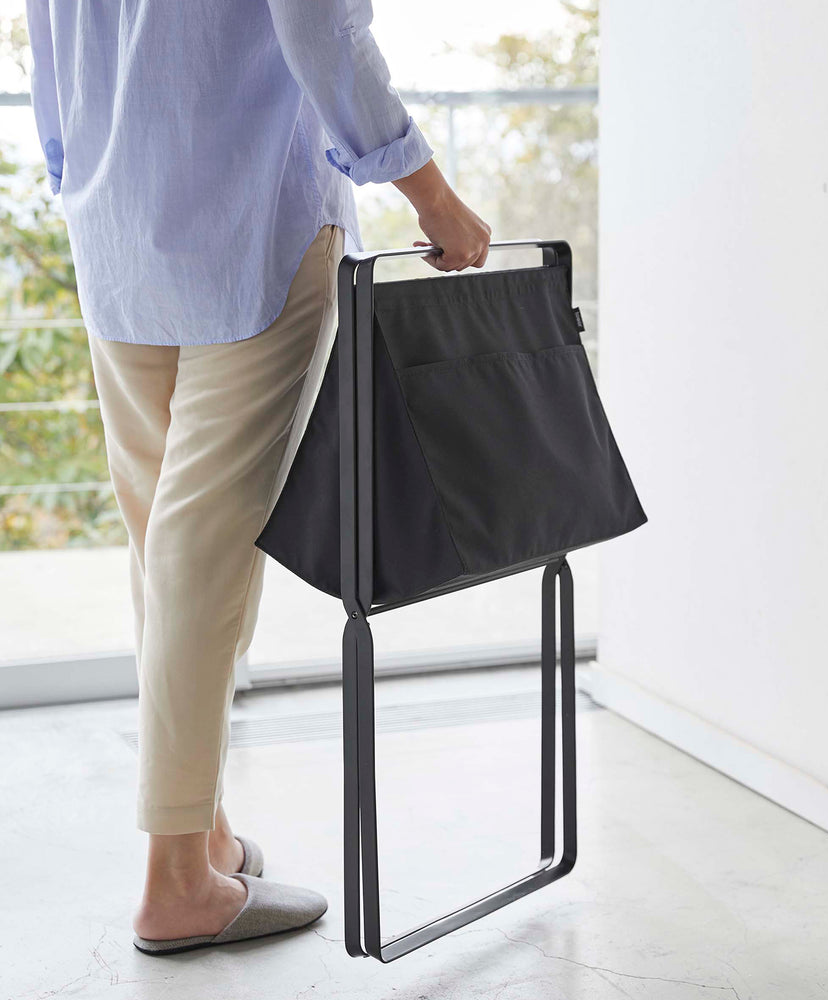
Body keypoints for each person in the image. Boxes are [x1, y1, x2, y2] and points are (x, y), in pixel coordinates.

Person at [24, 0, 491, 954]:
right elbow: (321, 27)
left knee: (166, 543)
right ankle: (176, 879)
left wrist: (80, 178)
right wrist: (429, 193)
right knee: (201, 550)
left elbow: (47, 40)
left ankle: (202, 830)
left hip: (114, 224)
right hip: (250, 222)